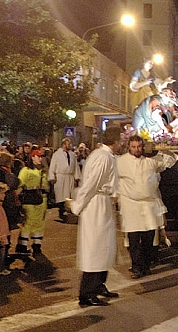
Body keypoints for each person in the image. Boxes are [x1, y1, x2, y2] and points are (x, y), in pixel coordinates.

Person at [68, 126, 122, 307]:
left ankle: (99, 284)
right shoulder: (102, 157)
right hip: (96, 204)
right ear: (115, 141)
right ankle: (87, 292)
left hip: (103, 203)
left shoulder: (107, 156)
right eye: (120, 139)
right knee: (95, 247)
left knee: (104, 246)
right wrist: (78, 205)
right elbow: (91, 184)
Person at [117, 135, 178, 279]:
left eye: (139, 147)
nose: (136, 149)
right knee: (133, 240)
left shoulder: (150, 161)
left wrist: (166, 149)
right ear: (129, 147)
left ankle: (145, 265)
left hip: (148, 205)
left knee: (148, 238)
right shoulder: (121, 162)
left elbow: (170, 161)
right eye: (133, 147)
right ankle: (137, 267)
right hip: (131, 205)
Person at [16, 150, 50, 256]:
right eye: (38, 156)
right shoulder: (25, 170)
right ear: (32, 157)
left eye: (41, 157)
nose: (40, 159)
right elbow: (19, 185)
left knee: (39, 223)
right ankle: (22, 246)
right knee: (28, 222)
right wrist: (16, 199)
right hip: (29, 199)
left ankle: (37, 245)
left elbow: (47, 187)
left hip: (41, 200)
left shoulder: (43, 171)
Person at [48, 138, 81, 222]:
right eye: (68, 144)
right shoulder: (57, 154)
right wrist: (52, 176)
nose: (69, 145)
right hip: (60, 177)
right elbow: (52, 165)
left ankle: (69, 210)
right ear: (63, 144)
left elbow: (75, 166)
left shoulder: (72, 155)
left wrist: (77, 176)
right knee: (61, 195)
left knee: (69, 195)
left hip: (69, 177)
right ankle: (61, 211)